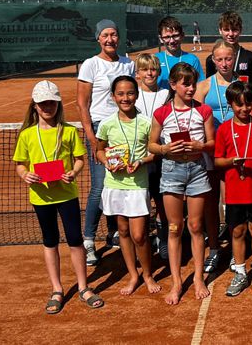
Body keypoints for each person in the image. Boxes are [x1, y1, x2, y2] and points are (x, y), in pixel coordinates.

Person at [13, 80, 103, 313]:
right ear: (35, 106)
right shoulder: (27, 135)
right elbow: (20, 165)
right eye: (43, 104)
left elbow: (80, 160)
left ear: (58, 104)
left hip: (66, 195)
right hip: (41, 197)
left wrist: (73, 172)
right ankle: (57, 289)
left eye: (51, 103)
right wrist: (26, 176)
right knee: (50, 241)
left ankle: (83, 287)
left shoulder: (70, 131)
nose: (47, 107)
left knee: (75, 240)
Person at [148, 63, 215, 305]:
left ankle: (198, 277)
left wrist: (200, 147)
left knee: (196, 226)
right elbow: (152, 145)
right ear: (174, 85)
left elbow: (212, 142)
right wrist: (166, 148)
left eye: (192, 83)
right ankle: (177, 282)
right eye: (185, 84)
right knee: (174, 227)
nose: (190, 88)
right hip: (171, 171)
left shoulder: (204, 111)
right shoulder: (162, 113)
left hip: (197, 171)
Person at [77, 19, 135, 266]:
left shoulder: (128, 64)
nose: (110, 39)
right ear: (98, 39)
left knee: (120, 182)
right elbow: (82, 103)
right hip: (101, 130)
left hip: (125, 129)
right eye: (105, 35)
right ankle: (88, 240)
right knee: (100, 187)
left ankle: (115, 233)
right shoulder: (90, 65)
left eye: (113, 34)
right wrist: (92, 138)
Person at [96, 76, 160, 296]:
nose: (126, 98)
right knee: (122, 231)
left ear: (137, 95)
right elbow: (99, 150)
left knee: (140, 235)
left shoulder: (146, 123)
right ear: (113, 97)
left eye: (130, 93)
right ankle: (133, 275)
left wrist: (141, 161)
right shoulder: (106, 124)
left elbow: (155, 151)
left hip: (138, 184)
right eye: (121, 94)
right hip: (114, 184)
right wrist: (108, 162)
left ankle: (148, 274)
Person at [214, 81, 252, 297]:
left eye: (248, 104)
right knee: (237, 231)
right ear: (230, 104)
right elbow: (217, 161)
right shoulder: (223, 129)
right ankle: (239, 271)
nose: (244, 109)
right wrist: (232, 161)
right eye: (239, 105)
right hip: (234, 192)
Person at [195, 39, 238, 273]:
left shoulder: (242, 85)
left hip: (235, 151)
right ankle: (213, 248)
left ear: (235, 59)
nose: (224, 63)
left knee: (232, 202)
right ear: (213, 60)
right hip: (211, 152)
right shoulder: (204, 86)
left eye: (228, 58)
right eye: (219, 59)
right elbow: (197, 119)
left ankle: (234, 249)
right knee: (211, 203)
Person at [134, 54, 170, 260]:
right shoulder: (132, 95)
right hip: (139, 156)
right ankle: (144, 241)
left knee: (162, 201)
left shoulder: (166, 94)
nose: (149, 73)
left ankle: (163, 240)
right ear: (137, 74)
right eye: (145, 70)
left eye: (153, 69)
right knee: (141, 202)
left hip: (161, 156)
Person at [206, 11, 252, 83]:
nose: (231, 34)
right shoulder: (211, 60)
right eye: (226, 30)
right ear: (220, 30)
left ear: (240, 30)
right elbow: (209, 86)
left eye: (234, 29)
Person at [155, 16, 205, 89]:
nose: (172, 41)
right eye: (167, 37)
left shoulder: (192, 60)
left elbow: (200, 87)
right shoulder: (154, 59)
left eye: (175, 36)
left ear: (182, 36)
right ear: (161, 39)